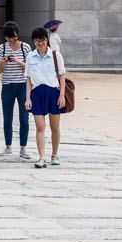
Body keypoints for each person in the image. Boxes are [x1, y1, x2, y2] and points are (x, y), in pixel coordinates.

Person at [25, 27, 67, 169]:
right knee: (40, 126)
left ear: (46, 40)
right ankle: (42, 157)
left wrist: (62, 95)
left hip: (53, 93)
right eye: (36, 40)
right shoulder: (30, 56)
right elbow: (28, 79)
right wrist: (28, 98)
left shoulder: (55, 55)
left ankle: (54, 155)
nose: (39, 42)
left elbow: (62, 75)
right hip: (37, 93)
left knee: (55, 126)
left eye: (42, 39)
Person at [0, 21, 32, 159]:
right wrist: (3, 62)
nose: (13, 40)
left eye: (15, 37)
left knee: (24, 118)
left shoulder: (25, 47)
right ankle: (8, 146)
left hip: (22, 85)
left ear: (18, 34)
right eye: (10, 38)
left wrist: (17, 61)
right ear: (6, 37)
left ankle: (23, 148)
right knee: (7, 117)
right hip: (7, 85)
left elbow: (30, 67)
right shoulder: (2, 48)